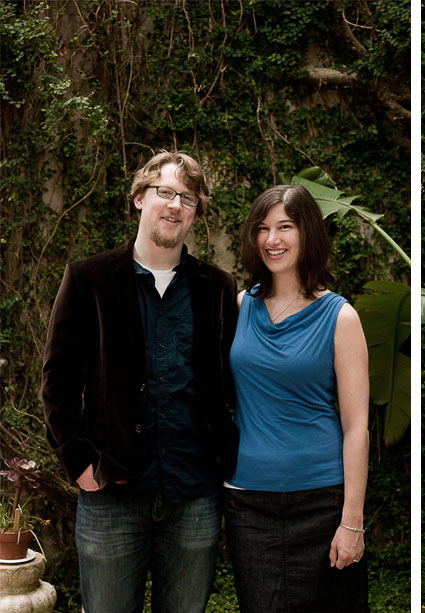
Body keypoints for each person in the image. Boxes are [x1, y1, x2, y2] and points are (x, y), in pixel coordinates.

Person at [41, 151, 239, 612]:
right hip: (111, 493)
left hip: (194, 494)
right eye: (165, 192)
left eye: (187, 199)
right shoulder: (89, 277)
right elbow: (58, 382)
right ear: (138, 198)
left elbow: (232, 382)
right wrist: (79, 464)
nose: (175, 205)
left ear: (195, 214)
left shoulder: (218, 287)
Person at [223, 184, 369, 612]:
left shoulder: (341, 317)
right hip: (247, 503)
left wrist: (352, 521)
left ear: (307, 232)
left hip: (322, 502)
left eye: (285, 227)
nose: (272, 239)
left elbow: (357, 426)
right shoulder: (238, 308)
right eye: (263, 229)